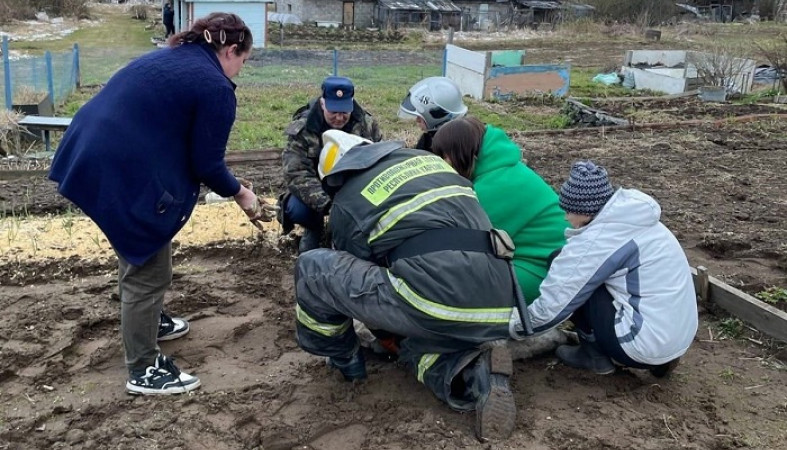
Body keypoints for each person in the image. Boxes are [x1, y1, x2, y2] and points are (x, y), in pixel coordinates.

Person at [49, 13, 259, 395]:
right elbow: (207, 164)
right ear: (230, 50)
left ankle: (146, 321)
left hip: (86, 150)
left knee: (139, 248)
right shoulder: (214, 86)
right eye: (243, 61)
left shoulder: (172, 55)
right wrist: (243, 194)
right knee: (149, 267)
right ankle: (143, 368)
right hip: (115, 165)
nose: (240, 71)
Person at [294, 130, 531, 441]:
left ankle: (345, 360)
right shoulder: (427, 162)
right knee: (420, 342)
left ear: (337, 176)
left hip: (437, 299)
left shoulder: (349, 201)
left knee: (314, 269)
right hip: (501, 298)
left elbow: (356, 281)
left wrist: (380, 330)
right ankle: (477, 374)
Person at [519, 161, 699, 377]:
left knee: (568, 272)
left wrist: (512, 326)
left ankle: (593, 356)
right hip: (679, 336)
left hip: (640, 345)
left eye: (568, 211)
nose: (566, 217)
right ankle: (662, 359)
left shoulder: (596, 242)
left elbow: (554, 304)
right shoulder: (641, 221)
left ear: (584, 211)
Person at [431, 117, 568, 303]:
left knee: (455, 287)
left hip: (543, 276)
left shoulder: (494, 187)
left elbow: (462, 242)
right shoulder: (502, 170)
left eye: (444, 156)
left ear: (459, 152)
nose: (443, 163)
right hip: (550, 265)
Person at [280, 76, 382, 253]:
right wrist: (328, 205)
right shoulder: (303, 128)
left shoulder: (366, 124)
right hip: (317, 190)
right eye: (333, 111)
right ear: (322, 103)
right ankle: (314, 229)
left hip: (354, 187)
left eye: (344, 112)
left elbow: (379, 158)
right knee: (298, 210)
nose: (339, 117)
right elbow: (296, 173)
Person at [398, 76, 467, 152]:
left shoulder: (437, 146)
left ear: (436, 115)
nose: (417, 120)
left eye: (420, 117)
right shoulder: (466, 135)